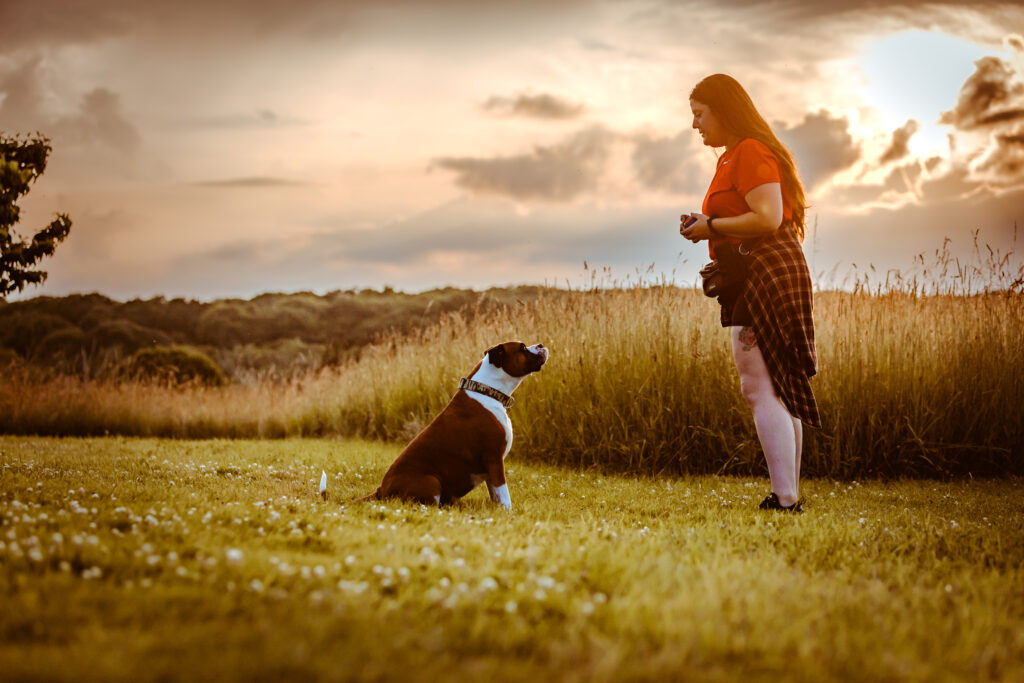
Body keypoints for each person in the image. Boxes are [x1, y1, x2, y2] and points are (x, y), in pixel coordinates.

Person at [680, 73, 820, 512]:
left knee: (759, 386)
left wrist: (713, 226)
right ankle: (789, 495)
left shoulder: (751, 152)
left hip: (767, 268)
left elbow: (768, 217)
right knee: (773, 387)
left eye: (700, 115)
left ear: (723, 110)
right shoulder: (731, 158)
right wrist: (705, 224)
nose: (695, 124)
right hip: (753, 270)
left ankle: (785, 498)